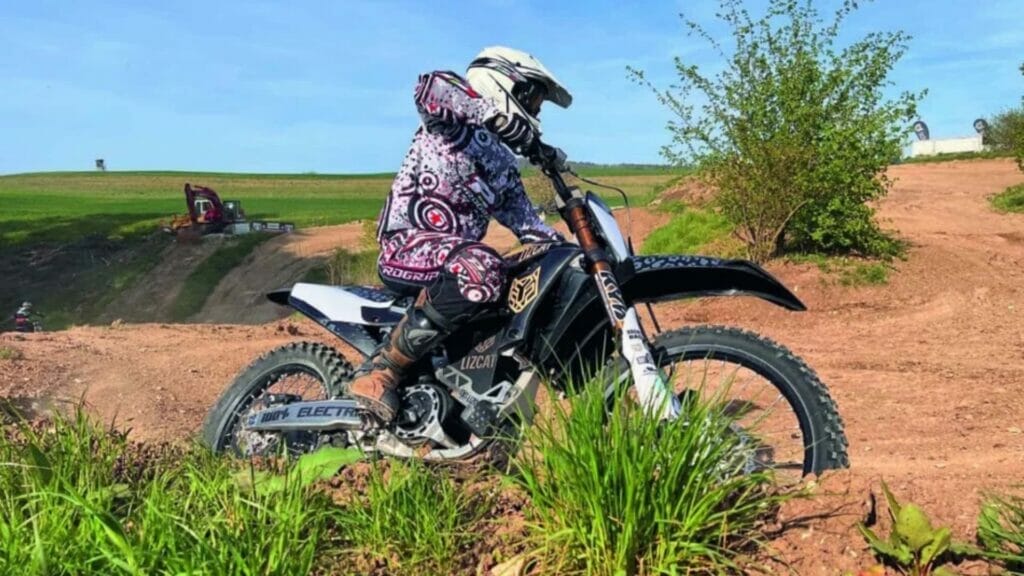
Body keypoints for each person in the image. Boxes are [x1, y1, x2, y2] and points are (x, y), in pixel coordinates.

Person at [347, 46, 573, 423]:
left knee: (544, 267)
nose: (535, 111)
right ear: (503, 82)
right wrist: (491, 114)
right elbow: (429, 87)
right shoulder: (449, 122)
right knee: (482, 266)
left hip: (455, 257)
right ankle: (381, 369)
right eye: (532, 98)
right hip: (408, 244)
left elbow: (531, 228)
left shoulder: (502, 164)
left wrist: (570, 253)